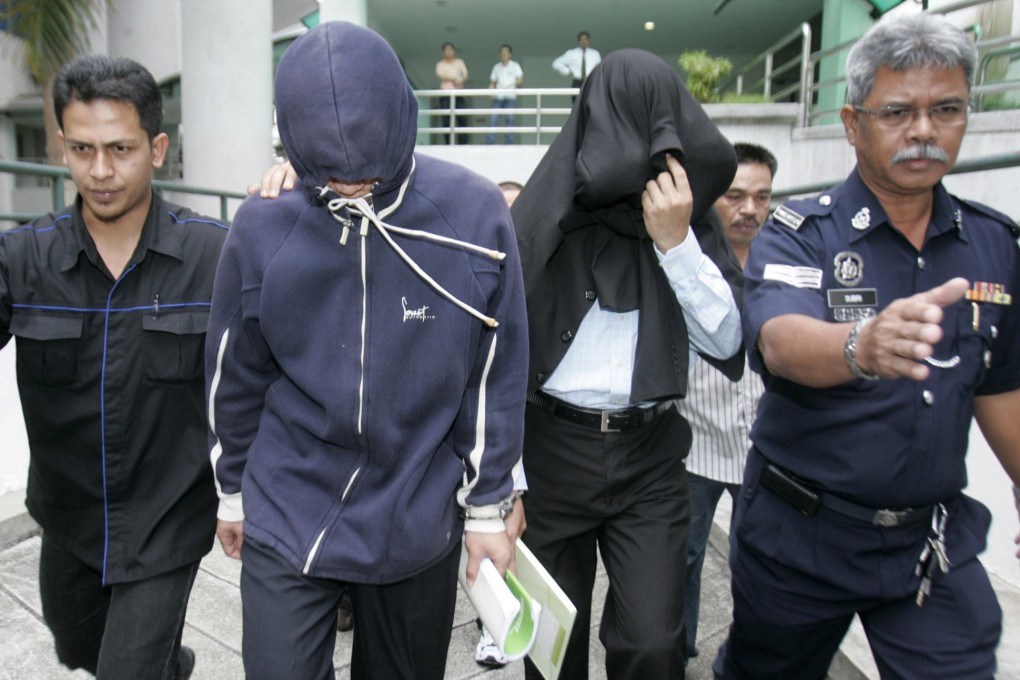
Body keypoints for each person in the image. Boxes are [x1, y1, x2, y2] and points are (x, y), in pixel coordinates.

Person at [207, 21, 528, 680]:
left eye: (371, 173)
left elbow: (496, 374)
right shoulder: (265, 224)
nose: (354, 189)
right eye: (332, 173)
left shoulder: (475, 217)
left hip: (416, 510)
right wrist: (231, 491)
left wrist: (488, 504)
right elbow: (232, 372)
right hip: (288, 502)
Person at [720, 13, 1020, 679]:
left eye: (946, 109)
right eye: (897, 112)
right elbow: (780, 340)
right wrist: (860, 345)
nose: (923, 130)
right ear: (854, 124)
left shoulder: (994, 243)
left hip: (928, 545)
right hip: (800, 541)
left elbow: (1000, 384)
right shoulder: (800, 231)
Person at [511, 48, 743, 679]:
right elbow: (495, 353)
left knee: (652, 644)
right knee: (550, 647)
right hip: (551, 451)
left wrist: (676, 243)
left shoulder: (692, 223)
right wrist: (502, 479)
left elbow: (727, 344)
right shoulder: (541, 212)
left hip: (650, 456)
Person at [0, 55, 226, 679]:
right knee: (77, 651)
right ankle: (170, 667)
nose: (99, 171)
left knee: (123, 671)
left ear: (156, 148)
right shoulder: (22, 259)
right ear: (62, 147)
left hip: (168, 518)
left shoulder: (214, 254)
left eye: (120, 148)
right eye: (81, 149)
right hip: (69, 517)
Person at [677, 142, 776, 665]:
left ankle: (747, 658)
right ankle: (680, 654)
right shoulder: (688, 258)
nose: (749, 209)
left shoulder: (787, 261)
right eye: (735, 195)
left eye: (761, 196)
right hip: (695, 446)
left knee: (759, 565)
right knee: (683, 561)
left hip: (765, 450)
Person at [486, 44, 524, 145]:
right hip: (498, 96)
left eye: (506, 51)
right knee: (493, 119)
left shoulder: (515, 65)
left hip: (510, 96)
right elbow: (493, 82)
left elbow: (520, 79)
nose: (504, 53)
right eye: (502, 51)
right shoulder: (496, 67)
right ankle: (490, 142)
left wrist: (512, 84)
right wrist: (490, 91)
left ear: (510, 54)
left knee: (510, 120)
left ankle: (509, 143)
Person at [436, 41, 470, 145]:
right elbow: (441, 75)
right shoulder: (440, 64)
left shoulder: (460, 62)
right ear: (443, 52)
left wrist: (461, 79)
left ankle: (463, 143)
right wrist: (455, 78)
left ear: (454, 51)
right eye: (446, 49)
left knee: (462, 119)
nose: (449, 51)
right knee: (446, 120)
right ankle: (448, 143)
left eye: (450, 49)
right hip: (445, 95)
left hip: (458, 94)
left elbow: (465, 74)